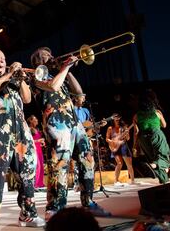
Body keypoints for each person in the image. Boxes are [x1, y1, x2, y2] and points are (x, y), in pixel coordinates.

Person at [30, 47, 110, 221]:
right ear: (38, 62)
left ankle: (88, 202)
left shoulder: (60, 75)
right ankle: (55, 208)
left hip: (75, 124)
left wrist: (68, 69)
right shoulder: (36, 75)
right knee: (59, 165)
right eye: (46, 56)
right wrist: (64, 68)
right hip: (56, 124)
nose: (51, 57)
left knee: (88, 160)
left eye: (51, 54)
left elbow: (80, 94)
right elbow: (52, 86)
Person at [0, 49, 45, 231]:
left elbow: (27, 99)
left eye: (4, 58)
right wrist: (10, 73)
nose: (3, 61)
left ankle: (28, 214)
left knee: (27, 174)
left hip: (21, 133)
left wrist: (18, 79)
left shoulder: (12, 80)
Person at [133, 89, 170, 184]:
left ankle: (163, 181)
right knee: (163, 157)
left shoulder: (136, 116)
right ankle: (152, 166)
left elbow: (136, 132)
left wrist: (135, 146)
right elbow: (164, 125)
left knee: (154, 158)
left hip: (143, 138)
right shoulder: (157, 112)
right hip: (156, 135)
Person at [105, 114, 135, 186]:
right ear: (113, 120)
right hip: (114, 146)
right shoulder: (110, 128)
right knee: (119, 163)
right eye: (116, 119)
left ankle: (132, 180)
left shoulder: (124, 127)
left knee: (129, 164)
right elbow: (107, 139)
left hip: (123, 145)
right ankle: (116, 181)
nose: (117, 121)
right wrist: (112, 142)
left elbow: (128, 139)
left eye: (118, 119)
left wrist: (127, 134)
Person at [27, 115, 45, 189]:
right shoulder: (29, 129)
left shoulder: (36, 129)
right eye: (35, 120)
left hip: (39, 149)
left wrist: (41, 143)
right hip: (34, 150)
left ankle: (40, 183)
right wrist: (38, 141)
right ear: (31, 121)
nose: (37, 121)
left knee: (41, 165)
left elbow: (37, 139)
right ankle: (35, 183)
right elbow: (29, 141)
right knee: (37, 166)